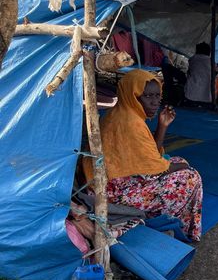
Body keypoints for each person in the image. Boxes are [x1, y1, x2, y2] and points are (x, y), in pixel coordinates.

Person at [86, 69, 203, 241]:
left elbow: (151, 157)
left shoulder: (125, 113)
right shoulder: (130, 122)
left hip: (113, 183)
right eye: (148, 96)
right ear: (132, 96)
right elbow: (157, 168)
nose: (155, 102)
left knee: (180, 162)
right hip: (113, 192)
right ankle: (174, 224)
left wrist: (162, 126)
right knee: (191, 177)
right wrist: (183, 168)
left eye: (157, 96)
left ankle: (165, 218)